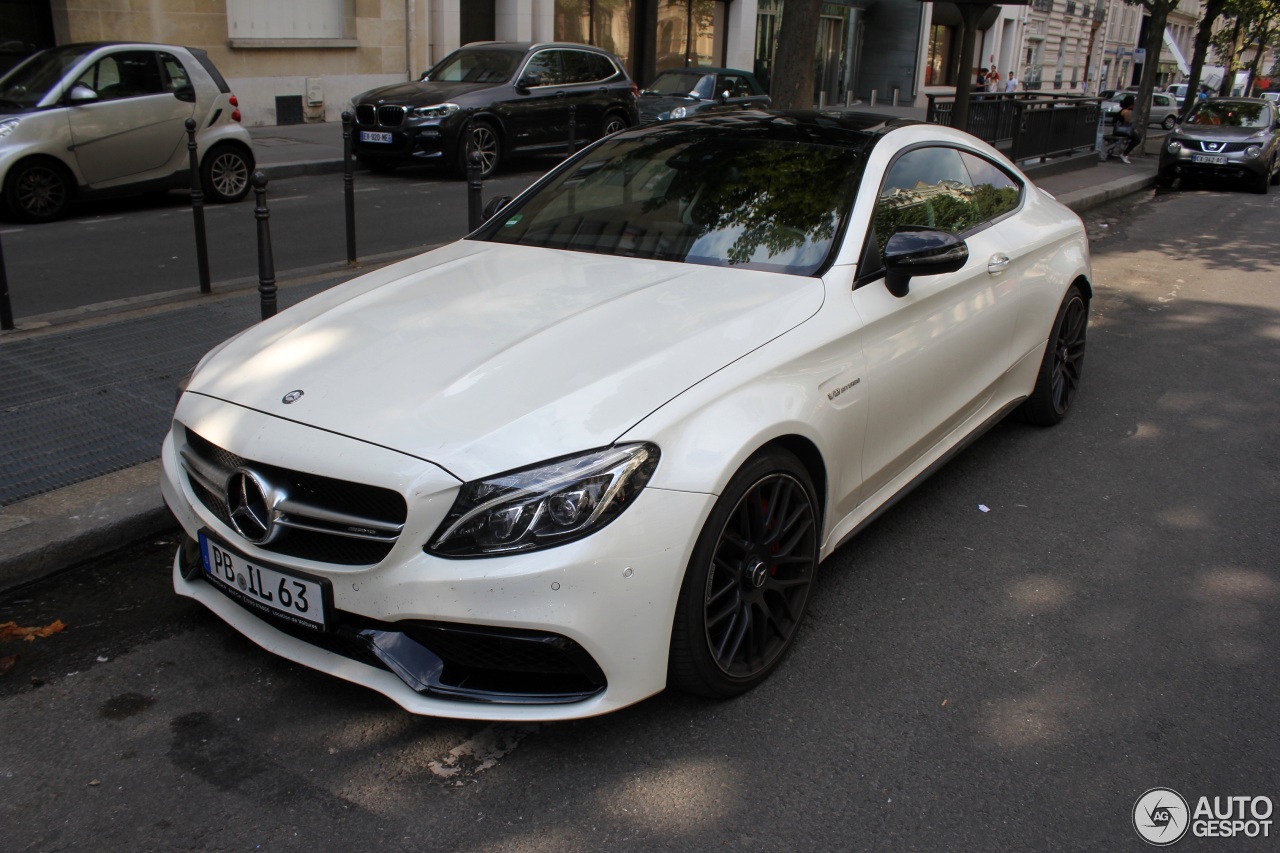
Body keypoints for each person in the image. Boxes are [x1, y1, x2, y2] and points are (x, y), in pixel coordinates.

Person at [1112, 94, 1138, 163]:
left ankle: (1124, 153)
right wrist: (1133, 130)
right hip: (1121, 130)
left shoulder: (1123, 110)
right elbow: (1127, 123)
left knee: (1137, 137)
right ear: (1131, 104)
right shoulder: (1126, 112)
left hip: (1119, 130)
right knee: (1137, 138)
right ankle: (1125, 154)